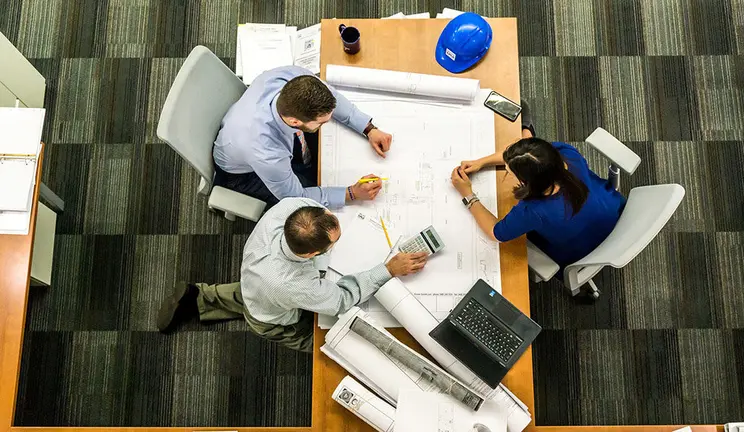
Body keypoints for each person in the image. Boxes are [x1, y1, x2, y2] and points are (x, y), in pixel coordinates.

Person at [156, 197, 428, 352]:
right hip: (272, 316)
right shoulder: (294, 284)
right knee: (325, 341)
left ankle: (199, 296)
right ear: (312, 254)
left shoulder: (290, 209)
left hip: (256, 279)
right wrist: (388, 269)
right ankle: (329, 348)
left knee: (252, 293)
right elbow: (341, 300)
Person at [449, 113, 625, 285]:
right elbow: (524, 155)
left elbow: (496, 233)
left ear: (525, 182)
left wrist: (468, 194)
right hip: (614, 212)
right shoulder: (566, 154)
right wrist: (481, 162)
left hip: (581, 250)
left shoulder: (533, 211)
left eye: (510, 173)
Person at [213, 65, 393, 209]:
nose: (327, 123)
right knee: (309, 200)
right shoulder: (266, 152)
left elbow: (332, 98)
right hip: (243, 174)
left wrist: (368, 128)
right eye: (322, 122)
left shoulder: (292, 78)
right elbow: (296, 196)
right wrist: (351, 193)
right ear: (294, 121)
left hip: (245, 132)